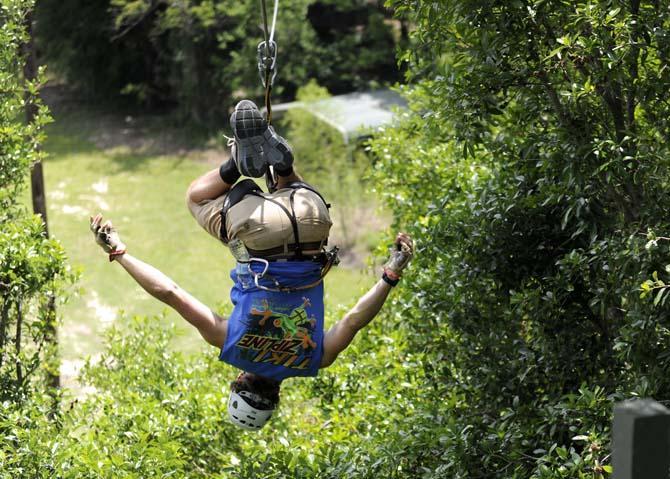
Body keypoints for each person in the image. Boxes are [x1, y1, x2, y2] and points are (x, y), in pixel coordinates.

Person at [89, 100, 413, 430]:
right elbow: (170, 292)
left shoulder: (318, 358)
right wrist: (119, 253)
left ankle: (284, 169)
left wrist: (391, 272)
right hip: (261, 230)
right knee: (196, 199)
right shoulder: (229, 345)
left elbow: (355, 320)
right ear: (239, 380)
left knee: (289, 193)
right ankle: (236, 164)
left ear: (276, 395)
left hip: (312, 216)